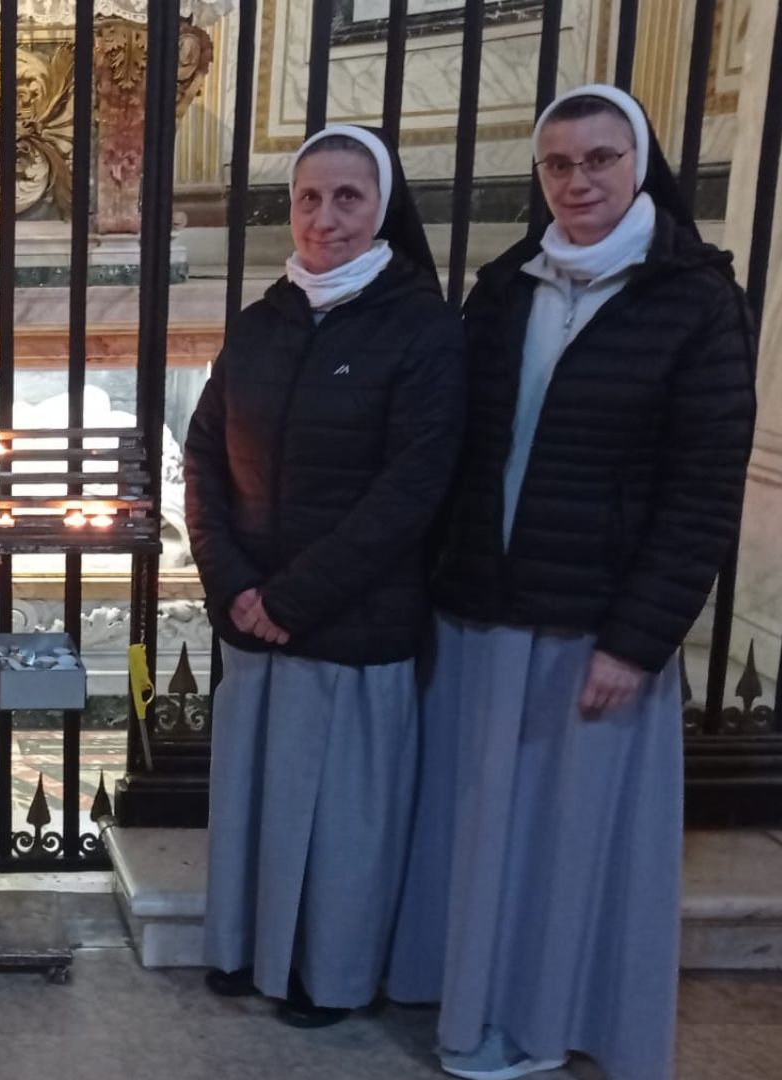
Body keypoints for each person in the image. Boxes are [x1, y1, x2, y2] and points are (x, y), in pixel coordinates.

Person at [396, 85, 757, 1080]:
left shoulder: (694, 300)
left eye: (600, 159)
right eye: (558, 164)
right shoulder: (508, 284)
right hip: (484, 610)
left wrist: (637, 641)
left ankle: (545, 1025)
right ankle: (470, 1007)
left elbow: (702, 490)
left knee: (566, 846)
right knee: (483, 834)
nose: (578, 180)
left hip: (593, 629)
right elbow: (461, 450)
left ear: (639, 165)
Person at [185, 124, 465, 1028]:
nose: (325, 218)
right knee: (256, 806)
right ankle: (242, 951)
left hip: (350, 624)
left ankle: (327, 975)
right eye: (309, 197)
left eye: (348, 197)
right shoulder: (262, 321)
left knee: (342, 822)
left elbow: (413, 487)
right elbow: (203, 456)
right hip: (253, 618)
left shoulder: (422, 328)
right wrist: (230, 582)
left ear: (383, 206)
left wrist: (293, 597)